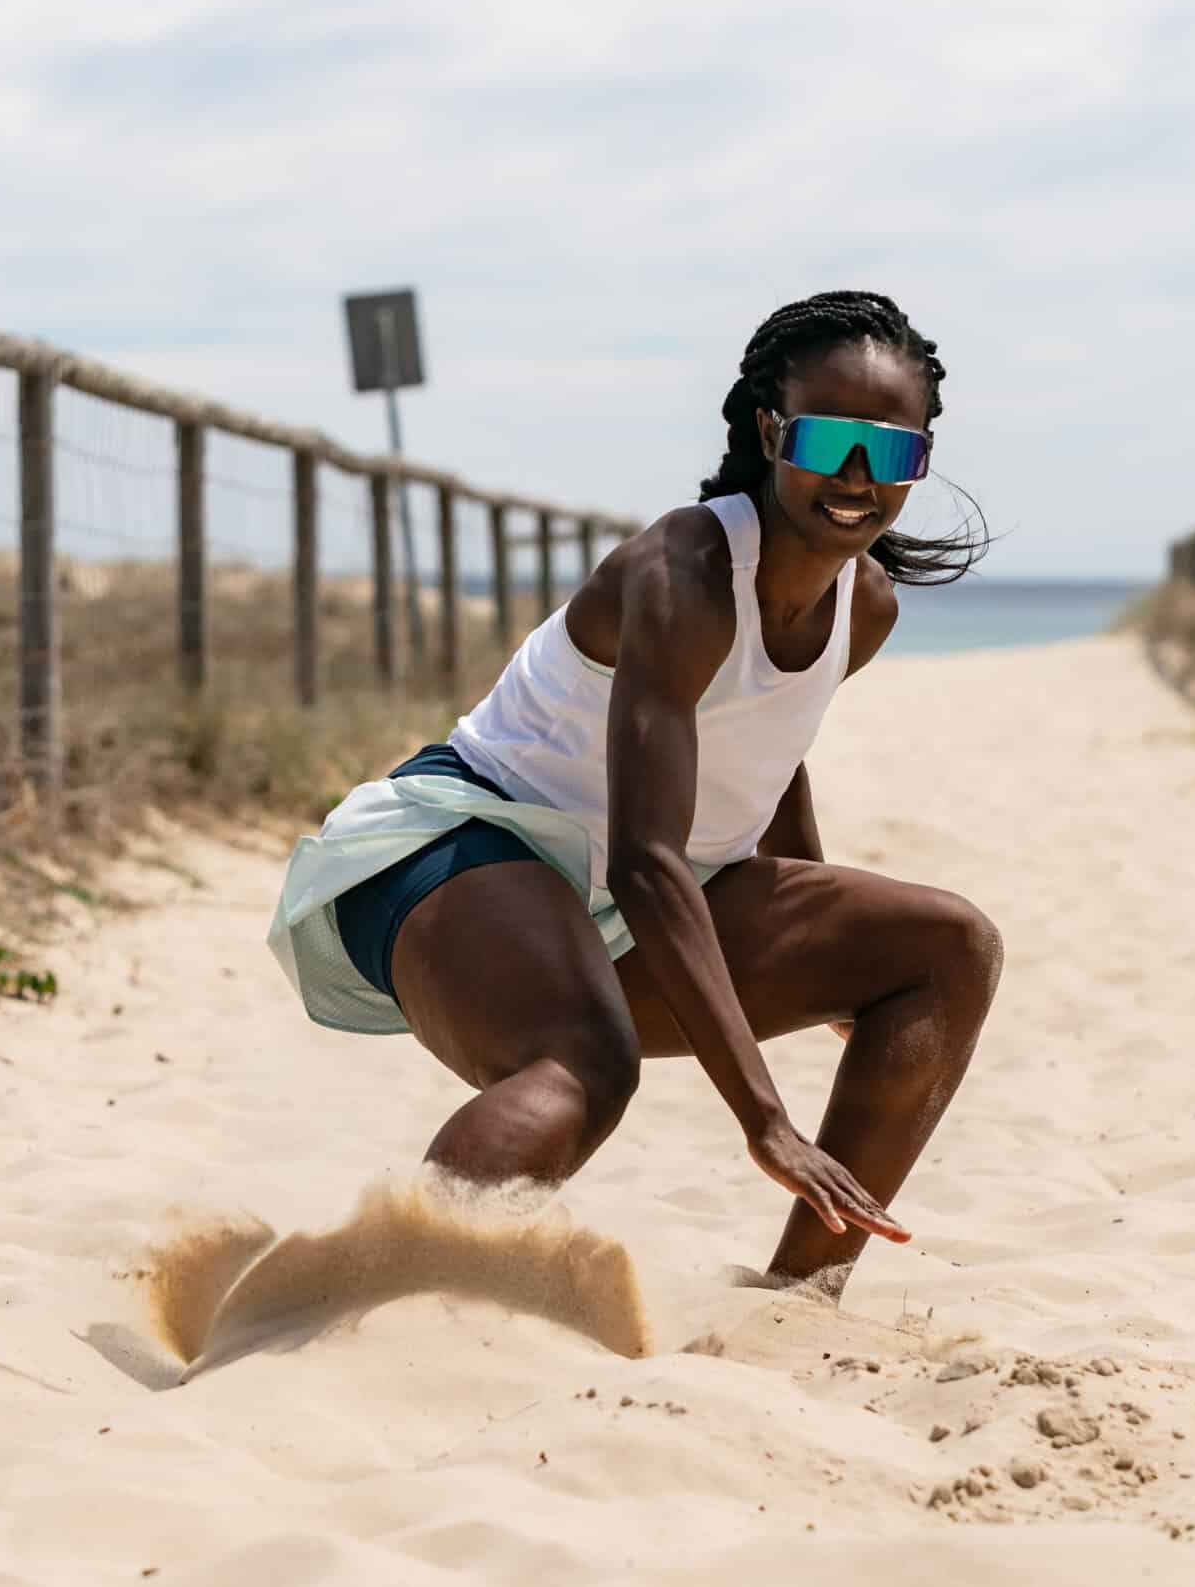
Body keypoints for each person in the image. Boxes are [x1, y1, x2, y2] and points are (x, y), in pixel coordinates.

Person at [268, 290, 1002, 1297]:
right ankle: (382, 1299)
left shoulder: (863, 606)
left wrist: (833, 956)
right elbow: (647, 863)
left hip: (615, 902)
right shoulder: (686, 569)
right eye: (831, 437)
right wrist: (765, 1120)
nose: (857, 476)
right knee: (584, 1063)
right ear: (769, 431)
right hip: (460, 846)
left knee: (948, 947)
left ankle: (799, 1304)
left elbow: (770, 749)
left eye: (895, 450)